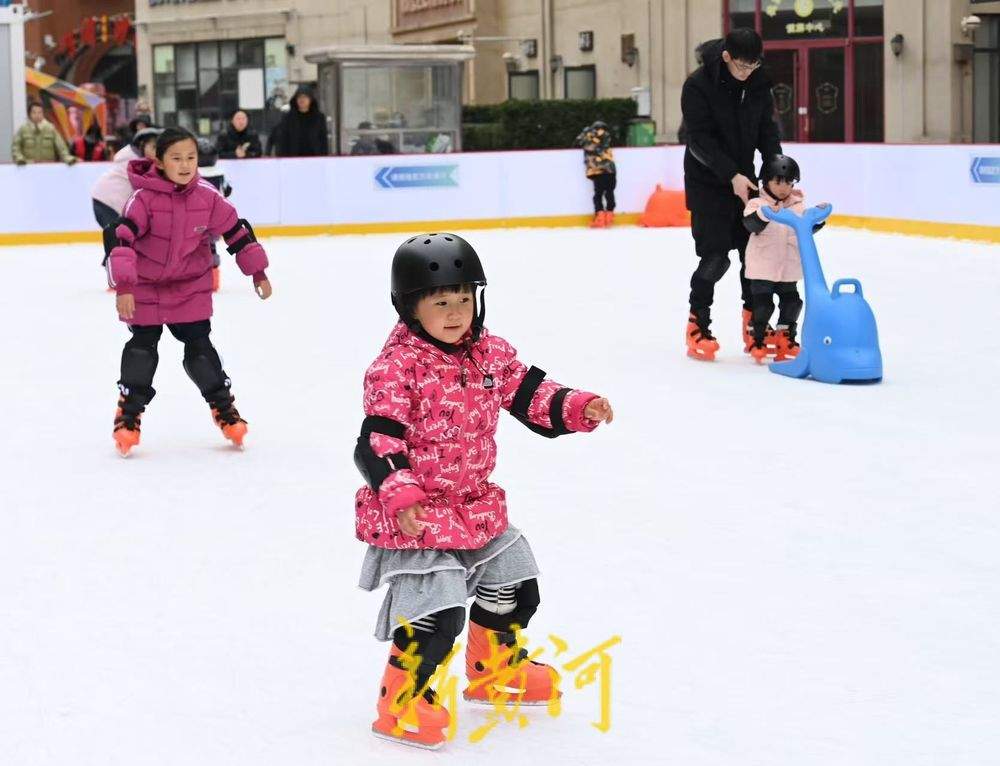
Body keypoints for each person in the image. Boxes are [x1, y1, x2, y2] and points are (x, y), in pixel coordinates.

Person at [354, 233, 614, 749]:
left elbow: (530, 392)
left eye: (465, 300)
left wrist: (576, 406)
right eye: (441, 303)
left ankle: (495, 670)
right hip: (419, 514)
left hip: (474, 505)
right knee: (436, 616)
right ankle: (401, 700)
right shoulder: (395, 368)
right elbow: (377, 441)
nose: (456, 314)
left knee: (515, 584)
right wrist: (401, 495)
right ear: (410, 308)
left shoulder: (488, 353)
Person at [103, 127, 273, 457]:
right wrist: (124, 286)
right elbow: (122, 239)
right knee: (142, 348)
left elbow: (236, 231)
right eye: (176, 158)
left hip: (190, 285)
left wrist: (258, 272)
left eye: (191, 158)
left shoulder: (207, 197)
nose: (185, 165)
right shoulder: (142, 199)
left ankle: (224, 409)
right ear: (160, 162)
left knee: (199, 348)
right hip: (146, 284)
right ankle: (128, 415)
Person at [680, 28, 781, 361]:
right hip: (707, 182)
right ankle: (699, 324)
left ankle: (756, 326)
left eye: (753, 67)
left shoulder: (758, 82)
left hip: (746, 181)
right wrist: (730, 175)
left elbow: (767, 130)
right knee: (716, 257)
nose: (747, 73)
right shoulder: (698, 85)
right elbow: (698, 141)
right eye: (741, 67)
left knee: (753, 258)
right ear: (726, 57)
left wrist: (776, 173)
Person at [742, 154, 827, 362]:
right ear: (766, 181)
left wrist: (818, 217)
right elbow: (751, 224)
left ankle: (785, 338)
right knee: (763, 306)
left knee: (792, 304)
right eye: (778, 181)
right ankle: (757, 338)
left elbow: (806, 228)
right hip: (763, 269)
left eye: (788, 182)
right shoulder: (756, 203)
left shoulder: (797, 206)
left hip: (788, 270)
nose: (783, 187)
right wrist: (764, 213)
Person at [196, 137, 232, 292]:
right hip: (214, 219)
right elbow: (228, 190)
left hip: (194, 219)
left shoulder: (192, 173)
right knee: (211, 247)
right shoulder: (220, 173)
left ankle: (195, 279)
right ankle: (213, 279)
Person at [574, 121, 617, 228]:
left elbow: (578, 142)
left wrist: (586, 132)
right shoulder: (607, 136)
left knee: (598, 195)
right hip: (610, 169)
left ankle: (600, 217)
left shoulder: (588, 137)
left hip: (598, 171)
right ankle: (609, 216)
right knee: (610, 192)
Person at [270, 85, 329, 157]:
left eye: (305, 97)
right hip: (293, 160)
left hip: (315, 160)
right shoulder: (288, 118)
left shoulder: (319, 118)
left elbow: (323, 141)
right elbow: (283, 141)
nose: (302, 99)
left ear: (310, 99)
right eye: (299, 97)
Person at [11, 102, 77, 166]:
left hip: (47, 166)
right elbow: (16, 147)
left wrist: (67, 158)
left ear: (43, 114)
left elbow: (61, 147)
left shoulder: (50, 128)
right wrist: (19, 159)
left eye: (40, 112)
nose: (37, 115)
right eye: (34, 112)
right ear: (29, 114)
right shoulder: (23, 129)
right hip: (29, 167)